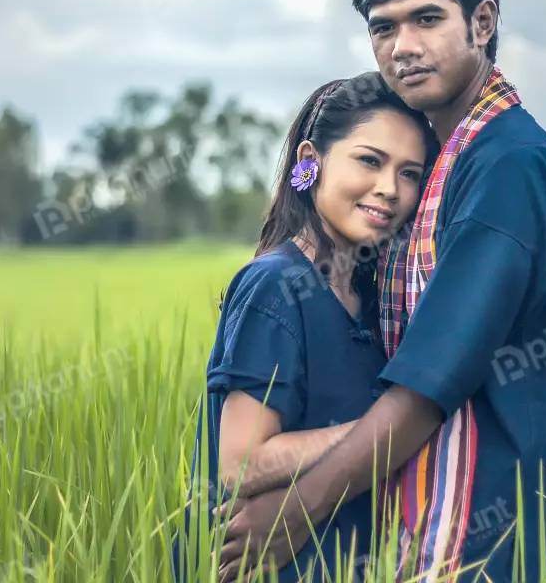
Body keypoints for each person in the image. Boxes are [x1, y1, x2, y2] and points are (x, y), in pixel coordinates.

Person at [216, 0, 546, 582]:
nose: (403, 47)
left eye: (427, 19)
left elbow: (429, 384)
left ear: (481, 24)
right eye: (383, 27)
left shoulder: (509, 163)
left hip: (507, 537)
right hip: (436, 524)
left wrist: (301, 507)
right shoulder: (443, 164)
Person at [171, 72, 438, 582]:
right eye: (370, 160)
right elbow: (242, 463)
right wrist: (385, 432)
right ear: (310, 160)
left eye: (410, 174)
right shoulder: (275, 285)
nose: (389, 189)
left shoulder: (369, 297)